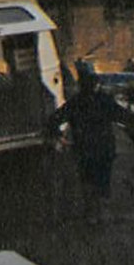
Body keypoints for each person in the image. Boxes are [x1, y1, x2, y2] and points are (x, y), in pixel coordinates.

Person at [45, 62, 120, 224]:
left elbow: (53, 121)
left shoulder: (74, 103)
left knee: (87, 179)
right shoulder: (105, 100)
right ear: (95, 84)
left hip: (84, 149)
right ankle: (103, 210)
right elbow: (123, 116)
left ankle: (91, 212)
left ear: (80, 84)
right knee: (104, 179)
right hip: (105, 147)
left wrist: (59, 136)